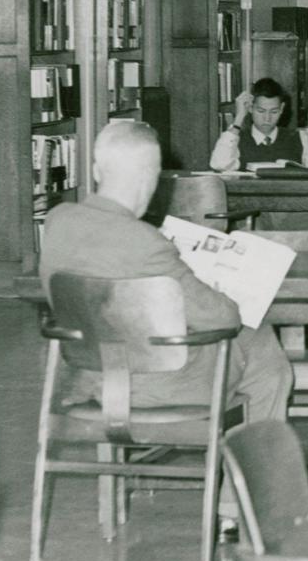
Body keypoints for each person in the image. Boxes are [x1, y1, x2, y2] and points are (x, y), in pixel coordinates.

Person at [39, 121, 292, 424]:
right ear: (150, 179)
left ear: (95, 171)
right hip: (155, 386)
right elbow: (222, 318)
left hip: (90, 377)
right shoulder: (144, 240)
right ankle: (256, 462)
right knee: (257, 336)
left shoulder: (57, 222)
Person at [210, 78, 308, 171]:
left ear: (282, 108)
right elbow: (219, 164)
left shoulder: (302, 138)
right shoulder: (235, 140)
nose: (267, 118)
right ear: (250, 108)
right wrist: (238, 118)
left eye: (273, 111)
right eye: (261, 111)